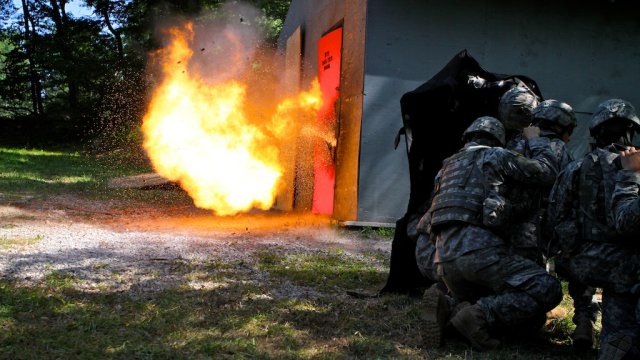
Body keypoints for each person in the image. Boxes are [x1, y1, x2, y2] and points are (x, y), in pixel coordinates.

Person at [416, 116, 563, 350]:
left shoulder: (445, 167)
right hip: (480, 253)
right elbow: (546, 172)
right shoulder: (496, 155)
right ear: (498, 140)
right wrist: (536, 141)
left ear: (467, 137)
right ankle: (478, 316)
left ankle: (451, 307)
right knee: (547, 288)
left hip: (443, 260)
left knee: (480, 290)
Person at [546, 98, 640, 359]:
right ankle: (620, 338)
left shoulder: (574, 168)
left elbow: (555, 217)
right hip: (626, 269)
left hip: (582, 265)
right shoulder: (636, 168)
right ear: (631, 131)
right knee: (623, 298)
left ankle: (586, 319)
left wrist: (570, 251)